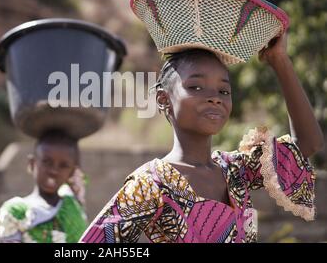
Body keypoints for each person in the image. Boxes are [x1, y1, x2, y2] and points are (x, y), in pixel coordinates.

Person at [80, 34, 324, 243]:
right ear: (164, 100)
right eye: (196, 87)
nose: (214, 97)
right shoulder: (151, 184)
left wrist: (279, 60)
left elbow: (307, 144)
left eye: (224, 90)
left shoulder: (237, 171)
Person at [0, 130, 87, 243]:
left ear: (72, 171)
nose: (54, 171)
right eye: (47, 162)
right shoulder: (17, 210)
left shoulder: (73, 206)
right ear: (32, 164)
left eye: (63, 166)